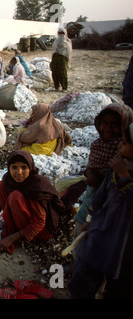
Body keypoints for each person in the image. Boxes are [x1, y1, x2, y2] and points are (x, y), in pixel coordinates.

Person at [67, 123, 133, 299]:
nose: (120, 145)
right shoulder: (116, 167)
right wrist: (90, 220)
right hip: (102, 234)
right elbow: (100, 197)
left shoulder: (122, 170)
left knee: (118, 288)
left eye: (126, 143)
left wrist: (125, 178)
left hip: (126, 244)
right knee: (83, 280)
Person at [71, 103, 133, 253]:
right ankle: (78, 262)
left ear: (125, 126)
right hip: (94, 197)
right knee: (81, 229)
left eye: (114, 125)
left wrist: (116, 176)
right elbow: (91, 167)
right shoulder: (97, 145)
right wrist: (90, 173)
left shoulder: (125, 152)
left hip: (112, 204)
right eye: (105, 123)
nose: (108, 129)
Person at [0, 151, 68, 254]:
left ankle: (19, 231)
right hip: (24, 217)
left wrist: (11, 238)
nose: (19, 172)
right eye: (14, 167)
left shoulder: (36, 187)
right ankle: (14, 223)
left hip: (40, 229)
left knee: (15, 196)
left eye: (24, 167)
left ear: (30, 168)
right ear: (9, 168)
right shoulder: (10, 180)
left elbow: (40, 222)